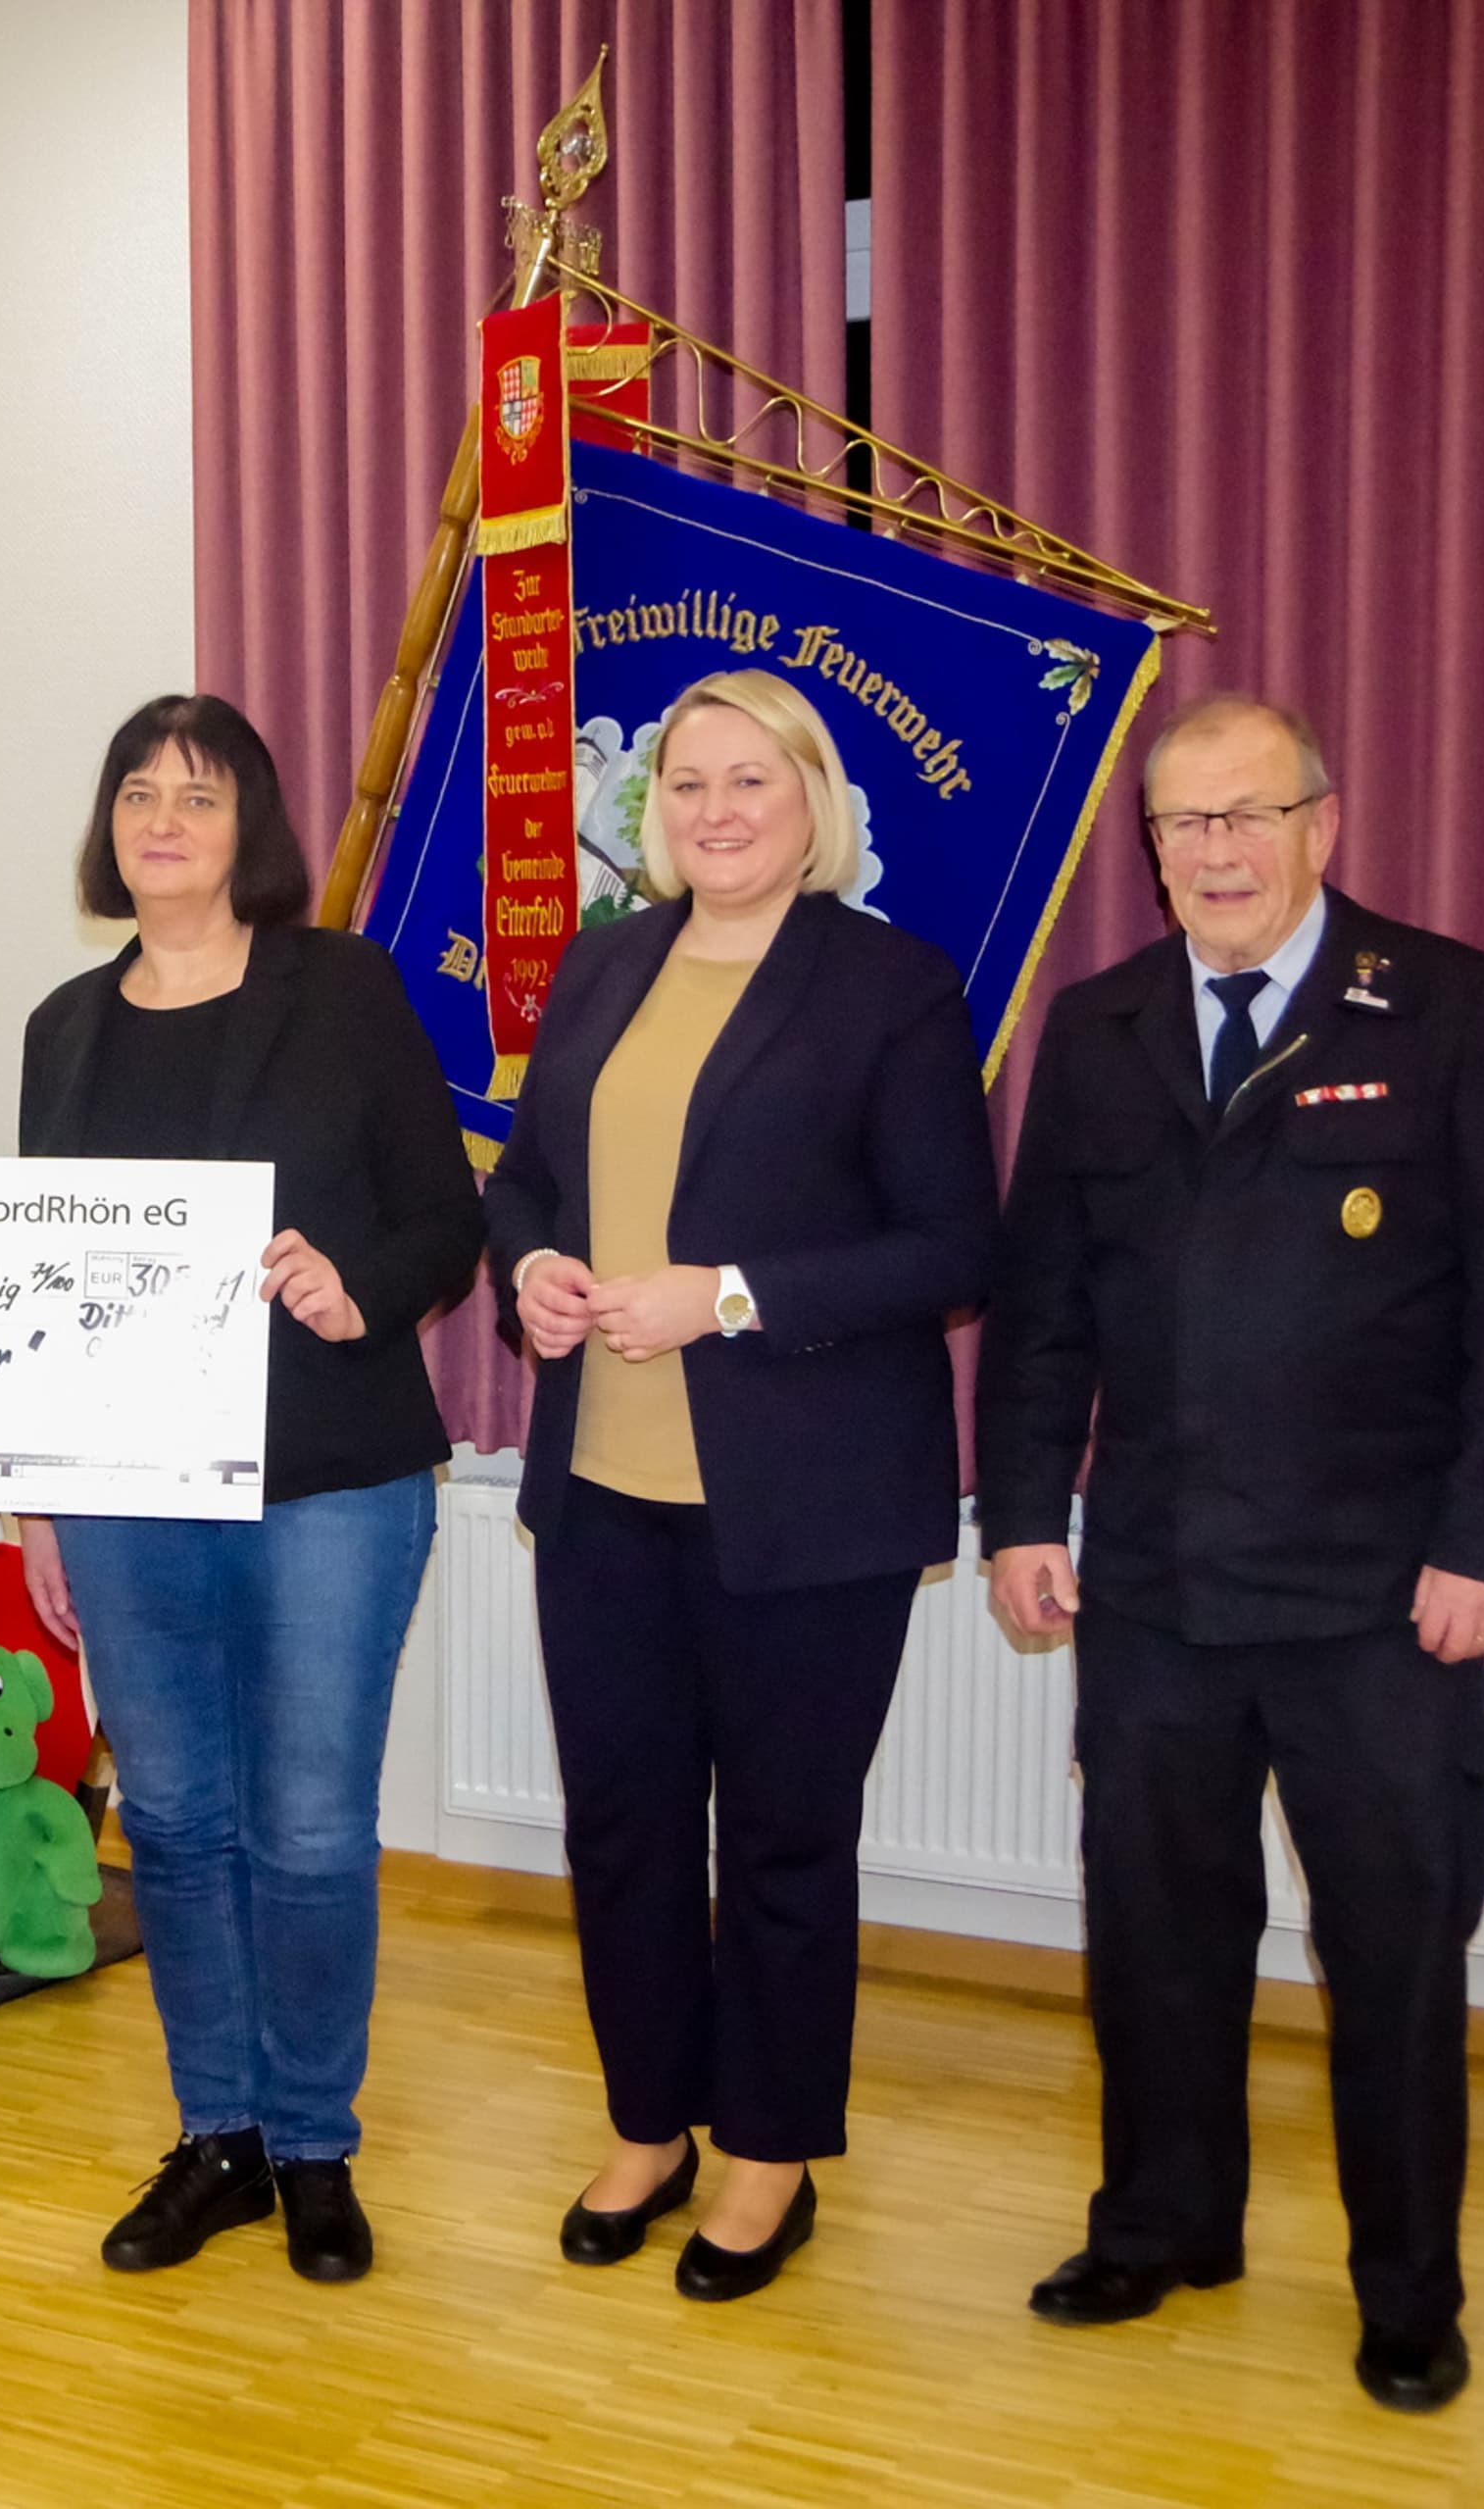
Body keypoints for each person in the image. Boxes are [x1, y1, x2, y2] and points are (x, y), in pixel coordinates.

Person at [976, 693, 1484, 2413]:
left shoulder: (1449, 1005)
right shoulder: (1096, 1029)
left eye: (1248, 817)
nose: (1216, 853)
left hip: (1381, 1590)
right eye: (1182, 828)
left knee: (1392, 1954)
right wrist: (1024, 1509)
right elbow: (1041, 1311)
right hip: (1158, 1581)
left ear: (1325, 825)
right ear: (1150, 853)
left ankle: (1409, 2290)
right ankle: (1165, 2224)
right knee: (1154, 1935)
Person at [484, 669, 998, 2302]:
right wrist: (537, 1272)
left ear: (813, 804)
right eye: (685, 784)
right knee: (624, 1828)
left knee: (784, 1839)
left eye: (749, 783)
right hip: (606, 1494)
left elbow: (954, 1248)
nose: (711, 811)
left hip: (811, 1507)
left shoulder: (894, 987)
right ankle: (650, 2123)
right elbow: (526, 1183)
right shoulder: (602, 965)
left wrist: (731, 1294)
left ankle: (768, 2152)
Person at [16, 693, 483, 2283]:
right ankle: (214, 2133)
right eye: (137, 791)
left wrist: (362, 1287)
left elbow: (445, 1216)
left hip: (331, 1476)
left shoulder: (342, 992)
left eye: (198, 797)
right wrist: (38, 1504)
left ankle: (314, 2145)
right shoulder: (62, 1028)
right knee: (179, 1822)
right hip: (129, 1492)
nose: (163, 820)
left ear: (250, 830)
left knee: (305, 1826)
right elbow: (42, 1293)